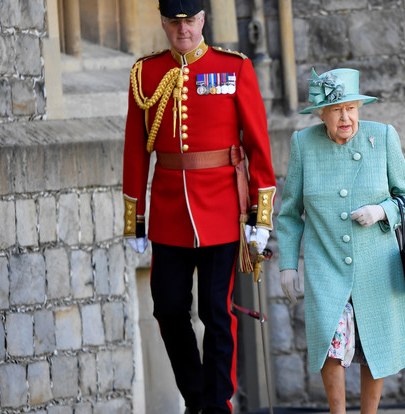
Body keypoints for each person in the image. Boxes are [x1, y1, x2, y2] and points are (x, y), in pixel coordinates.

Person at [121, 1, 276, 413]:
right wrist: (134, 218)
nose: (182, 30)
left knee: (216, 312)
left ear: (202, 20)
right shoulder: (146, 73)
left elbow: (258, 144)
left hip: (223, 210)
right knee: (168, 308)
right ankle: (196, 398)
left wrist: (261, 215)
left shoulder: (235, 68)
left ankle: (217, 402)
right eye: (174, 22)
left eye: (189, 21)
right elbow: (136, 150)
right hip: (169, 213)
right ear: (164, 23)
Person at [276, 68, 405, 414]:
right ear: (321, 113)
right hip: (326, 262)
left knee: (375, 342)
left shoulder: (383, 137)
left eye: (352, 108)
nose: (346, 117)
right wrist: (287, 265)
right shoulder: (303, 144)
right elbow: (289, 212)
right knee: (331, 341)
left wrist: (381, 211)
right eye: (337, 109)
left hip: (376, 263)